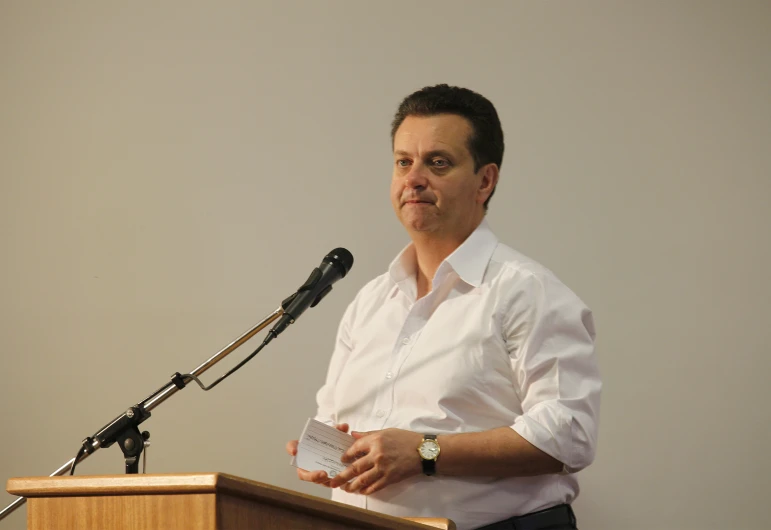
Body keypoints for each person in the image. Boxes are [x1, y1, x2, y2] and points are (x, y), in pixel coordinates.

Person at [286, 84, 601, 530]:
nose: (414, 178)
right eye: (403, 162)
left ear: (485, 180)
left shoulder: (526, 291)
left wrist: (423, 452)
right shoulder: (370, 301)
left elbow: (568, 436)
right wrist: (326, 455)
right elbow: (332, 418)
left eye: (438, 163)